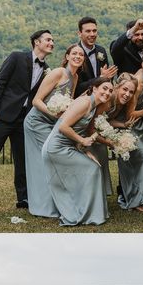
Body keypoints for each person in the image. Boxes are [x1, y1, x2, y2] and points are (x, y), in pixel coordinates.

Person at [0, 29, 54, 217]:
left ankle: (22, 197)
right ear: (36, 42)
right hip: (3, 116)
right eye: (48, 39)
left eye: (52, 40)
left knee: (23, 158)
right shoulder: (16, 57)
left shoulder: (47, 69)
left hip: (25, 119)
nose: (51, 43)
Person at [42, 77, 114, 226]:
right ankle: (86, 213)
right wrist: (82, 142)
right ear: (94, 88)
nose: (107, 92)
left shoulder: (94, 106)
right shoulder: (84, 102)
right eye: (104, 88)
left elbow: (82, 130)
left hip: (69, 146)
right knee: (92, 169)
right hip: (56, 148)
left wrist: (85, 151)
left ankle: (88, 211)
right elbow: (63, 127)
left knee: (93, 166)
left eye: (110, 90)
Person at [24, 44, 84, 218]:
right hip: (36, 122)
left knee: (51, 160)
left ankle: (57, 202)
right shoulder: (58, 72)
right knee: (47, 161)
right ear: (67, 56)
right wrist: (55, 114)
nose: (78, 56)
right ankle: (44, 206)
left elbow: (69, 102)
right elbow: (36, 101)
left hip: (52, 123)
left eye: (81, 54)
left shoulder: (76, 76)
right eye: (74, 53)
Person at [109, 65, 143, 211]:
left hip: (121, 126)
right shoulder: (109, 98)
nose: (127, 94)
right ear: (117, 86)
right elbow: (103, 119)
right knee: (133, 161)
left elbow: (112, 120)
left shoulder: (141, 84)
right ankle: (134, 198)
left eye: (131, 92)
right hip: (105, 131)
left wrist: (123, 124)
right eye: (125, 90)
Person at [76, 16, 117, 96]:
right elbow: (77, 87)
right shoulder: (75, 54)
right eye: (88, 31)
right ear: (79, 34)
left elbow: (106, 75)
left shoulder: (101, 50)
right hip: (82, 99)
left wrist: (108, 77)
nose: (92, 34)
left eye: (94, 31)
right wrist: (100, 78)